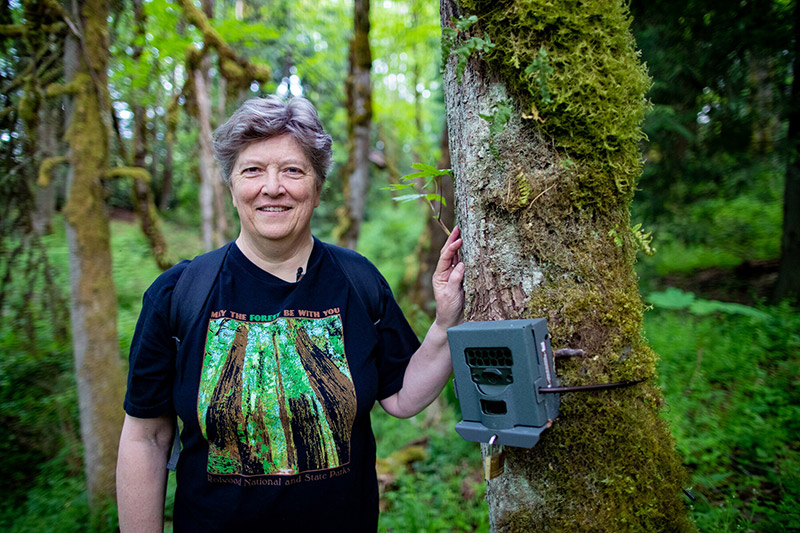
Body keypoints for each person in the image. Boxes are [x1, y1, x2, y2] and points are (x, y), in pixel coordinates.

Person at [116, 95, 465, 532]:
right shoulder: (179, 294)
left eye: (293, 171)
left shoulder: (358, 282)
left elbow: (401, 396)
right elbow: (145, 438)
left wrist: (446, 322)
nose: (272, 187)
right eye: (252, 170)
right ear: (231, 187)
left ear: (317, 190)